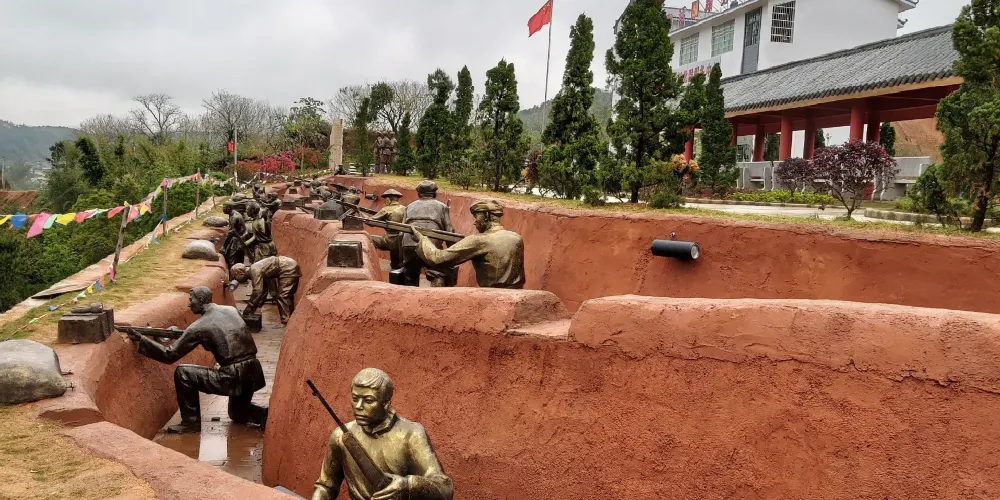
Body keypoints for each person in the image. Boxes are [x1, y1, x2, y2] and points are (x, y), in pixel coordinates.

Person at [123, 287, 267, 433]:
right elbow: (230, 336)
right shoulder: (231, 310)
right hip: (253, 371)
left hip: (233, 375)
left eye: (191, 300)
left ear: (201, 300)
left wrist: (142, 341)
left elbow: (169, 354)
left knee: (183, 373)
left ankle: (190, 422)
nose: (189, 304)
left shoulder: (199, 327)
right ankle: (266, 416)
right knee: (237, 413)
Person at [311, 368, 453, 500]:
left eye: (368, 401)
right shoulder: (340, 436)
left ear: (386, 403)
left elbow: (445, 488)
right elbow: (326, 487)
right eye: (355, 398)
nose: (358, 406)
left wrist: (407, 486)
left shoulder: (411, 434)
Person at [413, 199, 525, 289]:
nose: (474, 222)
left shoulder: (479, 240)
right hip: (517, 292)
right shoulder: (516, 238)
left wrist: (423, 240)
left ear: (486, 215)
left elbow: (437, 258)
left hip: (491, 296)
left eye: (476, 217)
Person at [401, 181, 455, 287]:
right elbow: (449, 231)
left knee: (410, 275)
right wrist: (450, 253)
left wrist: (401, 256)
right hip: (431, 244)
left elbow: (401, 233)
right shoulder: (442, 207)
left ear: (419, 194)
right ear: (434, 194)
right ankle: (435, 296)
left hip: (408, 243)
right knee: (437, 273)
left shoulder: (409, 207)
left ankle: (411, 296)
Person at [230, 256, 301, 325]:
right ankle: (290, 319)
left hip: (288, 267)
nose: (236, 279)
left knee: (283, 296)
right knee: (286, 295)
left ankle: (286, 321)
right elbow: (263, 291)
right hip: (289, 265)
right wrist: (254, 308)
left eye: (235, 277)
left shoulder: (254, 270)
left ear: (240, 273)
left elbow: (257, 291)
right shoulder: (257, 268)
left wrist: (249, 307)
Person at [368, 189, 406, 271]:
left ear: (388, 199)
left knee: (369, 238)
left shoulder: (386, 209)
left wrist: (360, 213)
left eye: (385, 199)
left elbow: (370, 222)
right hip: (403, 240)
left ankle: (373, 264)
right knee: (395, 263)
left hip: (390, 241)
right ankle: (396, 264)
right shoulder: (405, 208)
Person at [221, 201, 246, 275]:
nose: (222, 209)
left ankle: (233, 276)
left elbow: (230, 233)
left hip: (237, 239)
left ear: (229, 208)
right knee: (239, 258)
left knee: (231, 258)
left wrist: (224, 246)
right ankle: (241, 275)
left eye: (224, 208)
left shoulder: (234, 217)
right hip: (240, 237)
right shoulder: (233, 213)